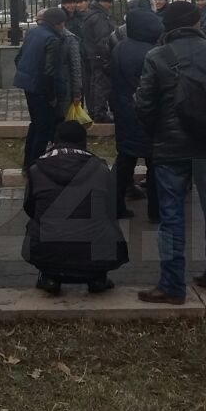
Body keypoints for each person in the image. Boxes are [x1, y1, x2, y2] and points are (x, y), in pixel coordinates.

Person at [135, 1, 206, 305]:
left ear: (167, 26)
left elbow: (144, 105)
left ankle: (172, 284)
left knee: (171, 215)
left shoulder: (157, 56)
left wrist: (157, 132)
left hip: (170, 148)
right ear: (197, 22)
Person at [24, 121, 128, 295]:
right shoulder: (101, 170)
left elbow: (30, 208)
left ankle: (49, 276)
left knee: (36, 223)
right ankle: (97, 277)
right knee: (109, 223)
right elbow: (117, 209)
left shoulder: (36, 170)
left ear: (55, 142)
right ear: (84, 142)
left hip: (47, 253)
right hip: (96, 255)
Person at [109, 5, 162, 220]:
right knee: (155, 162)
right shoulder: (153, 52)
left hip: (124, 111)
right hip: (148, 114)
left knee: (125, 159)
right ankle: (156, 211)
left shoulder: (119, 48)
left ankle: (115, 205)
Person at [13, 8, 76, 173]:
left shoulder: (33, 32)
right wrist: (52, 96)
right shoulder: (53, 39)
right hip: (42, 89)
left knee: (35, 124)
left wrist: (28, 75)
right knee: (44, 129)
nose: (63, 27)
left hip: (28, 85)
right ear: (57, 24)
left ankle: (28, 163)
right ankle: (35, 167)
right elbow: (50, 72)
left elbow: (18, 58)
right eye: (62, 24)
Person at [81, 0, 115, 122]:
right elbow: (103, 40)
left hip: (90, 55)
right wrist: (106, 58)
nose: (110, 5)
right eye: (109, 2)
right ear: (103, 1)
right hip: (99, 56)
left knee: (93, 85)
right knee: (100, 85)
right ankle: (100, 113)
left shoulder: (90, 14)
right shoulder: (100, 17)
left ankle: (94, 111)